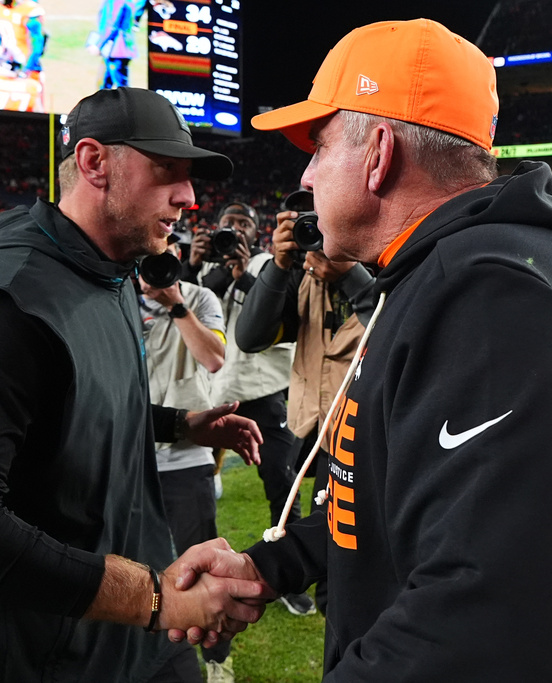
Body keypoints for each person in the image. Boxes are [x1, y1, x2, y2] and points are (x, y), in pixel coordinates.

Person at [176, 19, 552, 680]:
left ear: (378, 152)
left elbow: (474, 630)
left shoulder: (492, 298)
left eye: (317, 147)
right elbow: (398, 496)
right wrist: (268, 564)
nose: (308, 177)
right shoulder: (470, 269)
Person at [0, 87, 271, 683]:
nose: (189, 197)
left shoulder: (105, 260)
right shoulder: (8, 300)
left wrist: (179, 423)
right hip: (30, 652)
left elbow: (70, 404)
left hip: (118, 632)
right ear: (94, 163)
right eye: (168, 171)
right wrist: (154, 598)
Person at [234, 205, 375, 616]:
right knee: (334, 576)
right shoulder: (305, 273)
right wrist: (279, 265)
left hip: (372, 437)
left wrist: (350, 274)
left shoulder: (389, 264)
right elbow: (249, 337)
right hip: (327, 441)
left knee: (359, 575)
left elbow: (398, 326)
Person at [181, 201, 316, 617]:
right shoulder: (202, 272)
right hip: (213, 395)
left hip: (264, 392)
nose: (235, 229)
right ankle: (196, 573)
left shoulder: (268, 264)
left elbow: (259, 318)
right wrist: (191, 265)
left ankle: (287, 576)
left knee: (281, 479)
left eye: (244, 223)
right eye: (228, 223)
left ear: (256, 233)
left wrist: (241, 273)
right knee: (195, 484)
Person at [138, 235, 237, 682]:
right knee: (129, 565)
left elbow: (215, 359)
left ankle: (218, 660)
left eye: (167, 253)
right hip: (129, 455)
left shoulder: (200, 297)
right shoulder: (116, 296)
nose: (158, 262)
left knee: (202, 568)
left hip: (185, 456)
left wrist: (176, 304)